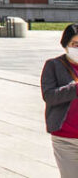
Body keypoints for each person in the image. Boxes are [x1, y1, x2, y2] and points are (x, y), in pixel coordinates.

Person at [41, 23, 78, 176]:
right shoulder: (54, 65)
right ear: (66, 45)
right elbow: (49, 96)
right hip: (66, 138)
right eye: (75, 44)